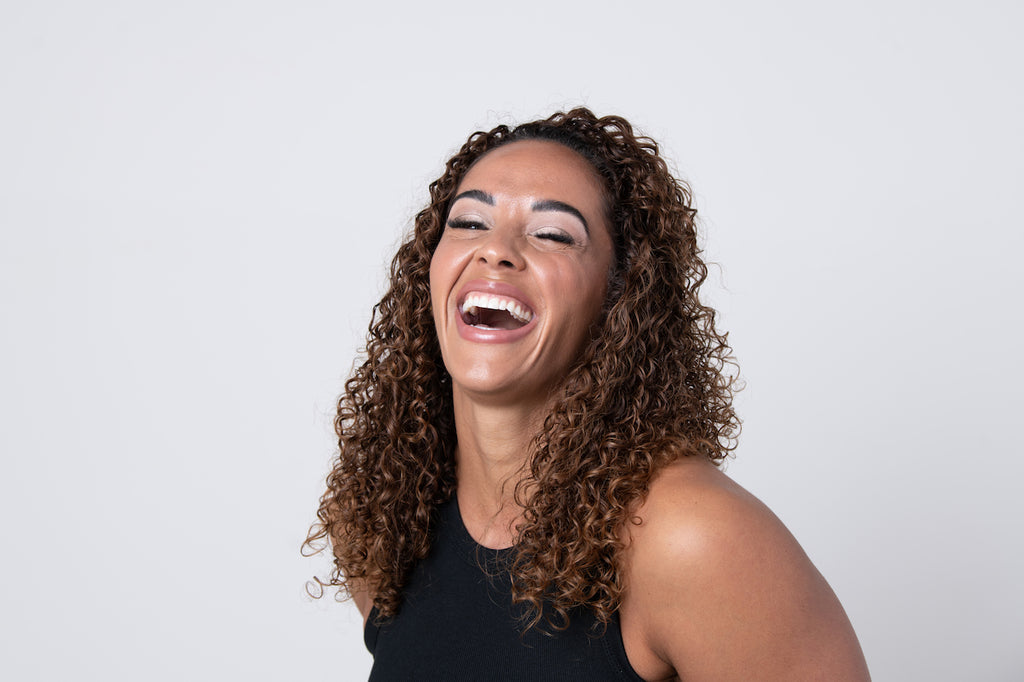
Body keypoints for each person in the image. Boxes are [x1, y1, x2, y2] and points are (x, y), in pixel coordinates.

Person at [305, 108, 870, 681]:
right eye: (469, 223)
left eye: (552, 234)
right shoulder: (385, 516)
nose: (495, 250)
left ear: (621, 297)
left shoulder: (691, 539)